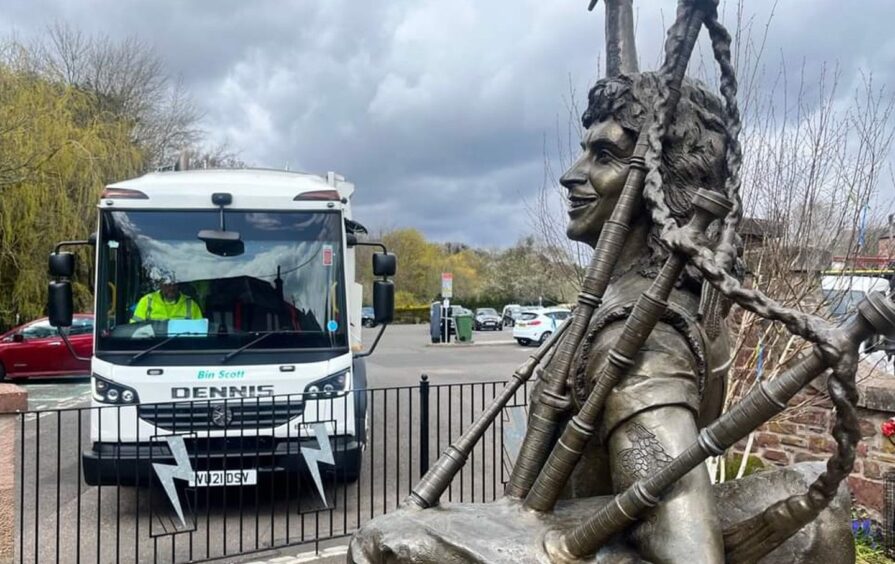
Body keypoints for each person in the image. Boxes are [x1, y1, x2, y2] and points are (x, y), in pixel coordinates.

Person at [131, 276, 203, 322]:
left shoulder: (191, 305)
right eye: (167, 285)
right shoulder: (146, 301)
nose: (171, 288)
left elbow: (200, 332)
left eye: (174, 284)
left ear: (178, 285)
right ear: (160, 285)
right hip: (152, 345)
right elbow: (134, 329)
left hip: (182, 345)